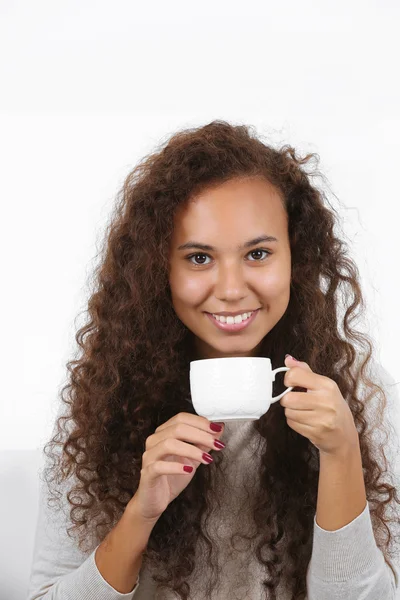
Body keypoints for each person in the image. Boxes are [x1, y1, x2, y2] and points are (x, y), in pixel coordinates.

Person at [27, 120, 400, 599]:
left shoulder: (361, 394)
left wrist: (343, 453)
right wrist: (141, 513)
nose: (229, 290)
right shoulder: (103, 398)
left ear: (296, 258)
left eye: (258, 253)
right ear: (158, 267)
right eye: (199, 258)